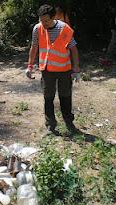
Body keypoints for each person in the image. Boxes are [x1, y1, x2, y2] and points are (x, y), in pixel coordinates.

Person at [25, 4, 81, 136]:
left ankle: (69, 123)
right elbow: (34, 47)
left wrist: (76, 68)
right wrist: (29, 66)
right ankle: (50, 125)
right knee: (48, 97)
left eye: (46, 20)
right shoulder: (37, 29)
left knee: (65, 96)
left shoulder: (64, 28)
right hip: (47, 70)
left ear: (53, 17)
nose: (43, 23)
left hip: (64, 69)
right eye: (41, 20)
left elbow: (73, 48)